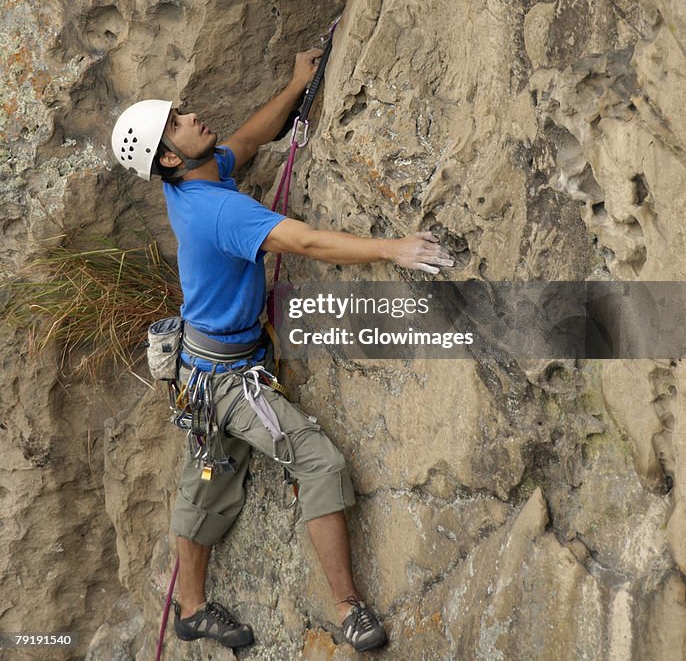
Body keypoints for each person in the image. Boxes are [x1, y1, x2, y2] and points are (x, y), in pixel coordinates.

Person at [111, 48, 454, 653]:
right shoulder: (221, 210)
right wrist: (391, 249)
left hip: (201, 366)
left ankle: (190, 609)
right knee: (318, 462)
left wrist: (298, 83)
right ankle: (349, 608)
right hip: (228, 378)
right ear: (168, 155)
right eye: (178, 120)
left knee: (207, 476)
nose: (193, 116)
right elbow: (309, 242)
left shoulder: (196, 179)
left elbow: (247, 138)